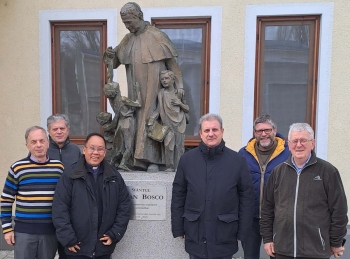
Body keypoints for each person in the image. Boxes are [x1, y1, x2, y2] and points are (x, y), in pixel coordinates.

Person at [103, 2, 184, 171]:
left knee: (151, 118)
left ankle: (153, 160)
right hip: (135, 89)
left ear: (139, 16)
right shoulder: (128, 39)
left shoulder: (157, 35)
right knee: (134, 120)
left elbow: (172, 63)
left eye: (130, 22)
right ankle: (134, 160)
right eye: (124, 23)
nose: (127, 26)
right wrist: (110, 55)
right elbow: (115, 61)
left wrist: (180, 86)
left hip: (154, 88)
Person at [171, 113, 254, 259]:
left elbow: (246, 197)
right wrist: (177, 227)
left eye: (215, 130)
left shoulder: (237, 161)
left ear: (222, 131)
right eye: (207, 130)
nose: (211, 134)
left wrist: (243, 231)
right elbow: (179, 194)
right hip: (195, 232)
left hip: (225, 234)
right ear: (200, 133)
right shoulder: (187, 160)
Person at [260, 123, 348, 259]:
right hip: (282, 250)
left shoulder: (328, 172)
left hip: (315, 251)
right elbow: (267, 208)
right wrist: (267, 239)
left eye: (304, 140)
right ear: (288, 145)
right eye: (294, 141)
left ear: (312, 143)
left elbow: (339, 210)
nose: (299, 145)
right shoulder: (278, 172)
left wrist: (336, 241)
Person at [52, 133, 131, 259]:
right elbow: (60, 208)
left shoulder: (114, 177)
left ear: (105, 152)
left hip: (102, 249)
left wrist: (115, 233)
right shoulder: (70, 175)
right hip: (76, 247)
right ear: (84, 150)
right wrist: (68, 238)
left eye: (100, 149)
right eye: (92, 148)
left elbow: (124, 206)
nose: (96, 152)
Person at [0, 126, 64, 259]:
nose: (38, 145)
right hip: (24, 232)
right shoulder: (17, 168)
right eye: (33, 142)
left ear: (47, 142)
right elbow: (6, 200)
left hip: (50, 232)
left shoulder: (59, 168)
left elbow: (65, 200)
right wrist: (7, 230)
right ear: (27, 145)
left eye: (41, 141)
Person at [238, 114, 290, 259]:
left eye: (267, 130)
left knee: (277, 255)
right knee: (250, 255)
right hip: (251, 216)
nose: (263, 134)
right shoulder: (244, 153)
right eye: (259, 131)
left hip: (278, 217)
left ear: (275, 130)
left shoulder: (288, 153)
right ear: (255, 133)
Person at [47, 114, 81, 259]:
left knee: (68, 252)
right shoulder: (43, 150)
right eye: (55, 129)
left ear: (68, 130)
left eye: (62, 128)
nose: (59, 132)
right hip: (46, 211)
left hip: (70, 211)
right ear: (49, 131)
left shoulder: (76, 151)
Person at [148, 70, 189, 171]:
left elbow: (187, 109)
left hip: (179, 123)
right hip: (167, 123)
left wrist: (179, 103)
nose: (164, 81)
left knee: (179, 146)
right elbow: (158, 109)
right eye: (162, 79)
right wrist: (152, 119)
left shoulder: (179, 92)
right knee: (168, 144)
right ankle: (169, 166)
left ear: (172, 79)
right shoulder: (161, 93)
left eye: (166, 78)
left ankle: (179, 167)